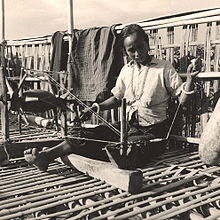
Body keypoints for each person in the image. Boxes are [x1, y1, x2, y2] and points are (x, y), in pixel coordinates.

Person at [24, 24, 198, 171]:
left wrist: (190, 80)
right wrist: (97, 107)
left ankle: (91, 153)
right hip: (126, 128)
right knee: (82, 134)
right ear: (126, 51)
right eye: (132, 51)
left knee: (125, 149)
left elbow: (182, 98)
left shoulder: (163, 69)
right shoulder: (126, 71)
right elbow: (116, 97)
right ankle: (46, 156)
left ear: (147, 43)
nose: (137, 54)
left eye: (140, 47)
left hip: (152, 133)